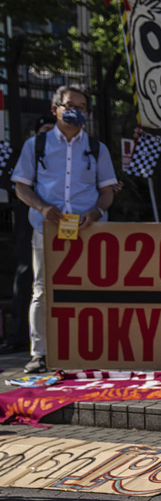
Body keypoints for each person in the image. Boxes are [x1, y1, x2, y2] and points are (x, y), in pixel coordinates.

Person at [11, 85, 117, 373]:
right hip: (47, 230)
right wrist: (43, 208)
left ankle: (89, 350)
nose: (76, 111)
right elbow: (21, 186)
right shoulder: (36, 145)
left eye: (82, 107)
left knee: (90, 290)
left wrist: (97, 211)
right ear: (54, 109)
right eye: (70, 105)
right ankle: (40, 354)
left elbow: (107, 191)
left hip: (88, 231)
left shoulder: (97, 148)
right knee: (42, 291)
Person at [1, 116, 56, 356]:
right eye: (44, 131)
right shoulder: (27, 152)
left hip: (62, 226)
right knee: (29, 280)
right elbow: (17, 185)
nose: (49, 136)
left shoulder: (73, 155)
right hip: (30, 226)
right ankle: (21, 337)